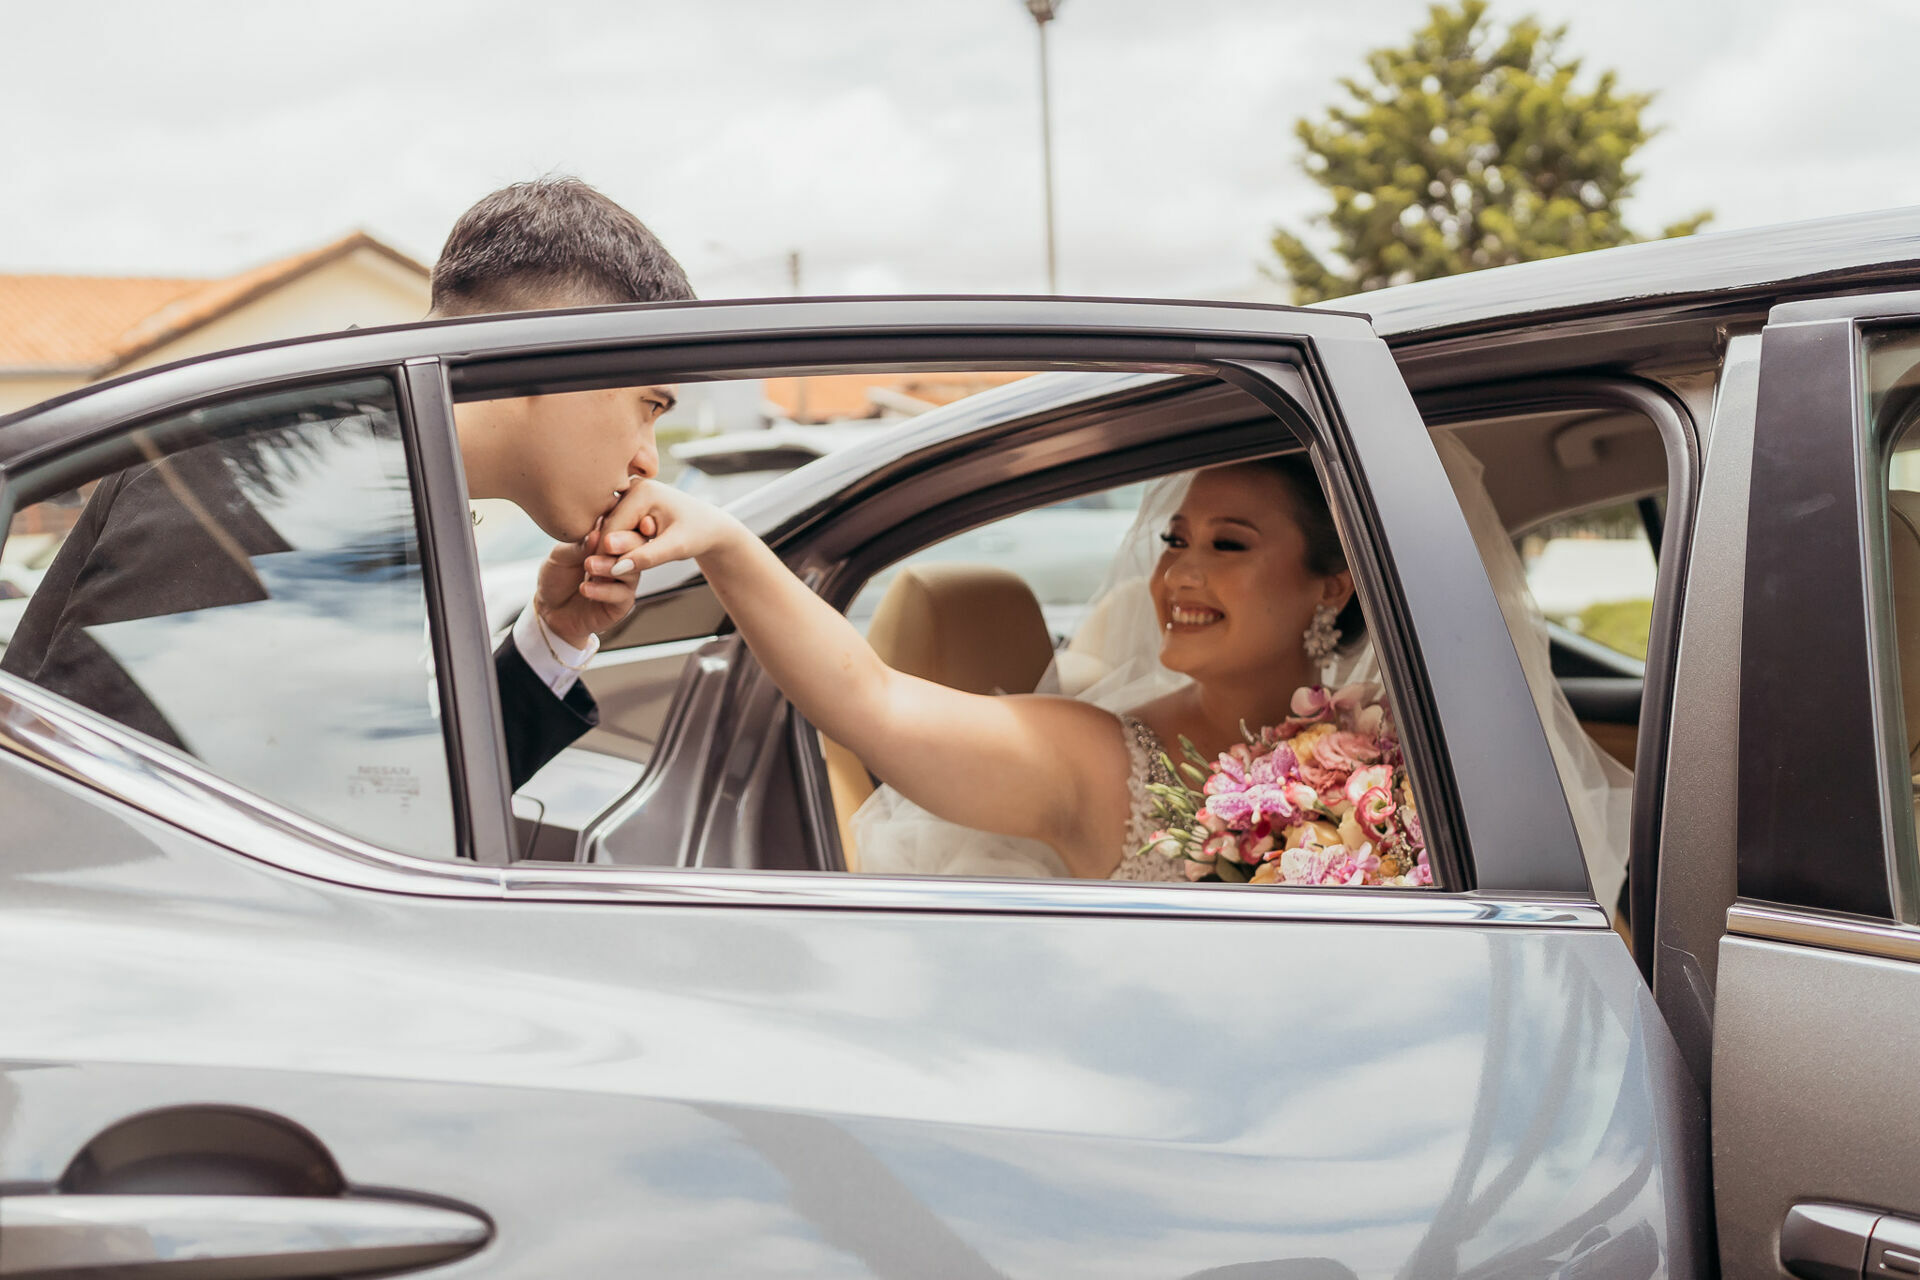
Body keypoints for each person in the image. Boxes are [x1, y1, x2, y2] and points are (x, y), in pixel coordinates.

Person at [3, 177, 694, 792]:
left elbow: (375, 794)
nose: (649, 461)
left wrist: (557, 634)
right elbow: (102, 816)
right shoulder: (266, 484)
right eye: (650, 406)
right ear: (554, 357)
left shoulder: (366, 471)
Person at [580, 454, 1361, 880]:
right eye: (1175, 541)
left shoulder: (1391, 751)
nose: (1180, 575)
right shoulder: (1098, 762)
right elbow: (873, 703)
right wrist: (723, 542)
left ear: (1334, 583)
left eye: (1227, 545)